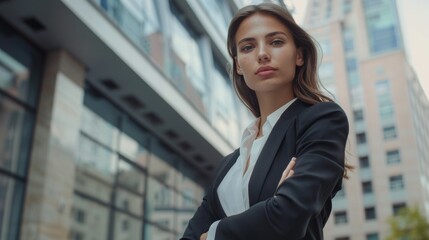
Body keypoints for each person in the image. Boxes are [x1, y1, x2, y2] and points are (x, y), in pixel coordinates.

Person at [181, 2, 351, 240]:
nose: (262, 53)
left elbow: (286, 218)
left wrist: (212, 234)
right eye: (248, 47)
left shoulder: (322, 120)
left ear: (299, 55)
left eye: (276, 42)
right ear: (239, 64)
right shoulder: (229, 167)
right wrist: (269, 206)